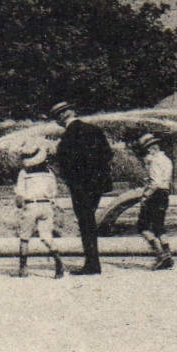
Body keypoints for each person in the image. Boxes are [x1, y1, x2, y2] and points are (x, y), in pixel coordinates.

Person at [51, 101, 113, 276]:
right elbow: (108, 154)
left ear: (62, 117)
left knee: (86, 223)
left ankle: (92, 264)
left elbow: (65, 165)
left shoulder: (67, 137)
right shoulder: (94, 129)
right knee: (90, 221)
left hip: (80, 186)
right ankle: (93, 262)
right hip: (98, 184)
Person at [13, 146, 66, 279]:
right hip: (46, 206)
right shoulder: (49, 173)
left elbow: (19, 195)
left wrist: (19, 204)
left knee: (24, 238)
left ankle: (23, 269)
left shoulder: (24, 173)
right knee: (47, 237)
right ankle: (58, 262)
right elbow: (53, 192)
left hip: (31, 205)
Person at [131, 134, 175, 270]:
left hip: (154, 195)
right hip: (164, 194)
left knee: (142, 227)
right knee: (159, 227)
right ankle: (167, 254)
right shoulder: (167, 160)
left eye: (147, 149)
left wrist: (145, 196)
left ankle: (160, 255)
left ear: (151, 149)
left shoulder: (155, 161)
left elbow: (154, 183)